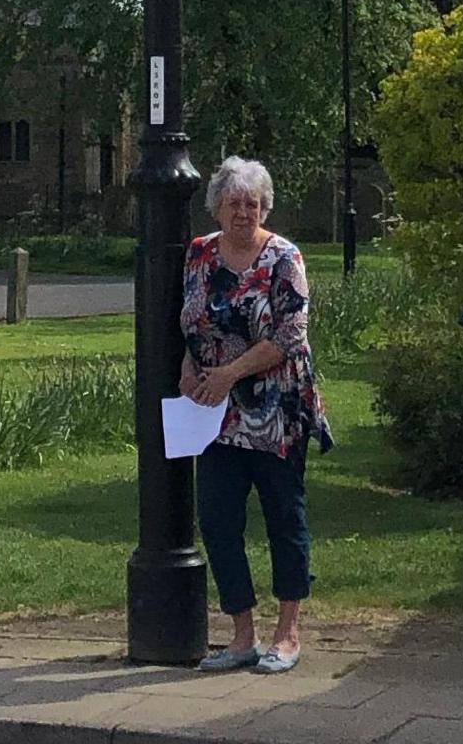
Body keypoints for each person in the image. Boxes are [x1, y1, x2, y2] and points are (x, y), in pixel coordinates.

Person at [181, 156, 330, 673]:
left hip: (278, 412)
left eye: (252, 203)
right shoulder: (200, 253)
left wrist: (230, 374)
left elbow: (290, 337)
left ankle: (287, 633)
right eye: (233, 202)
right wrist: (189, 366)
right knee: (218, 520)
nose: (242, 212)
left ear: (263, 207)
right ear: (217, 206)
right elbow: (195, 321)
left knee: (283, 518)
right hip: (216, 414)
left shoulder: (283, 258)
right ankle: (241, 633)